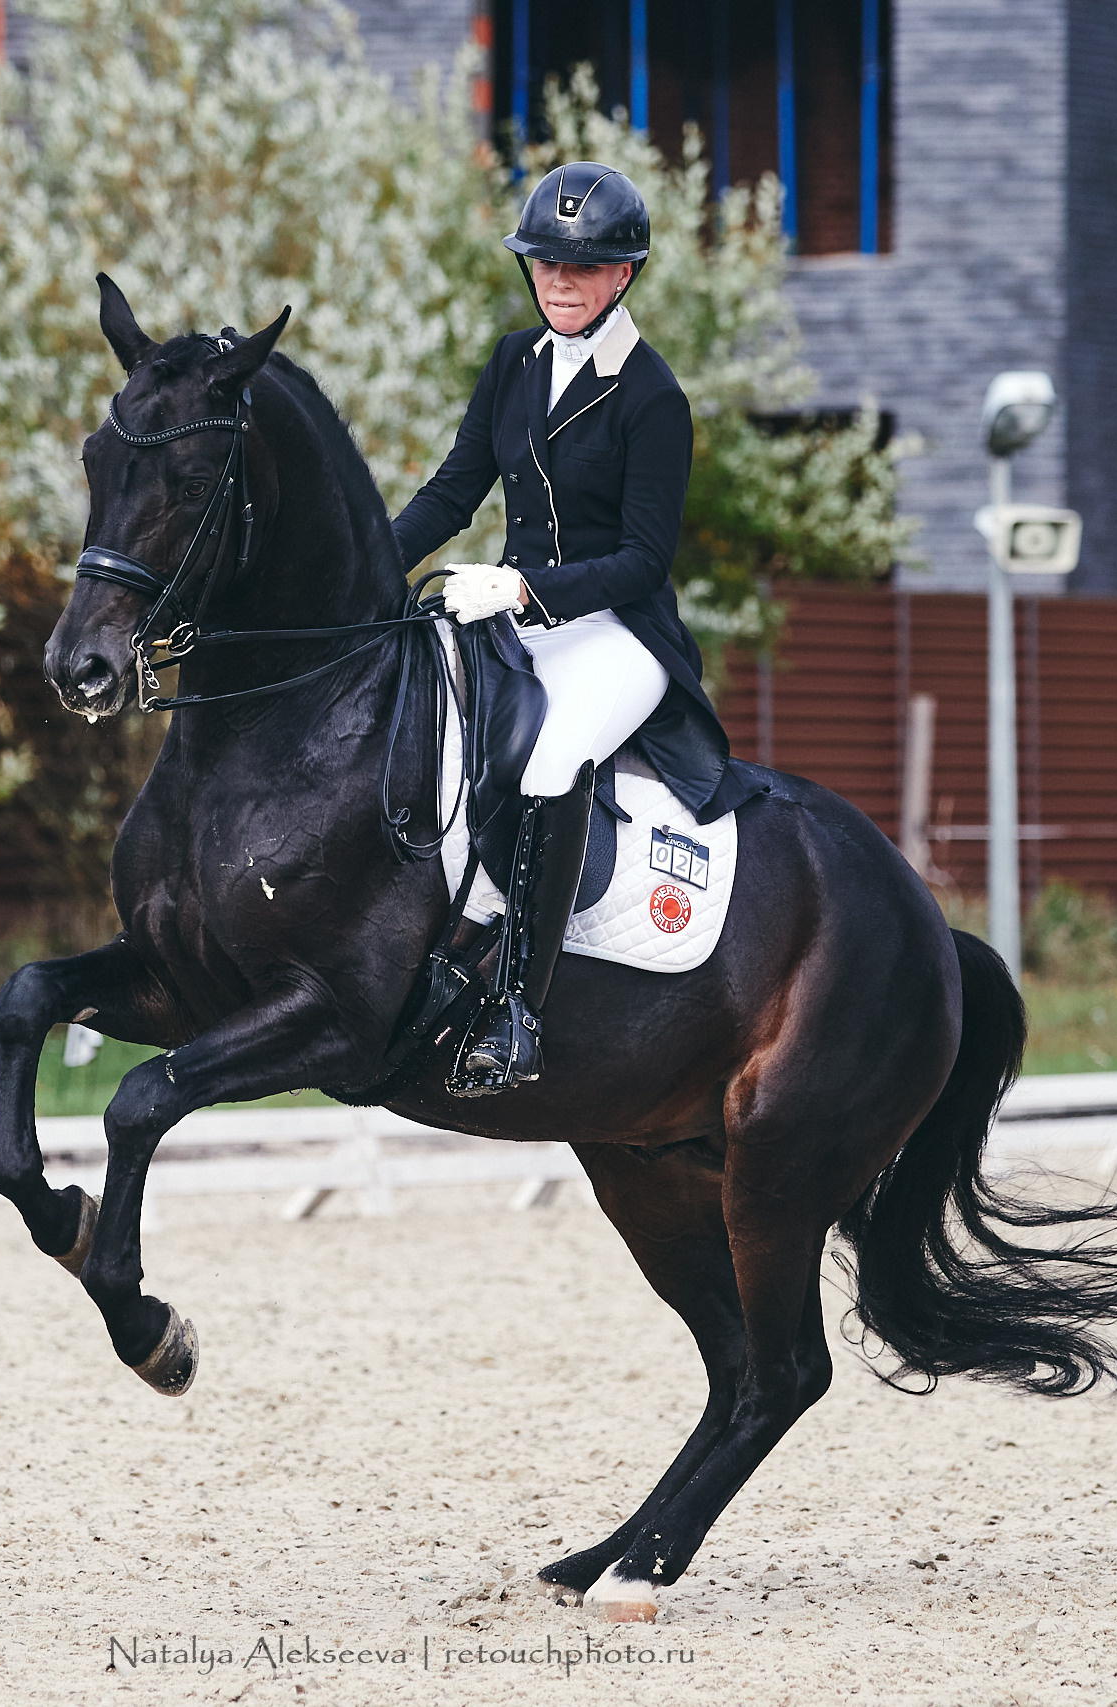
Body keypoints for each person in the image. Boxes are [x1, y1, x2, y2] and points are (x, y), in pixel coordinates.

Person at [391, 160, 762, 1096]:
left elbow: (643, 560)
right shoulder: (513, 362)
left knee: (551, 760)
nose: (559, 281)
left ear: (622, 275)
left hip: (619, 631)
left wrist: (522, 590)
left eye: (582, 267)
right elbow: (452, 492)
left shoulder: (652, 396)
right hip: (518, 614)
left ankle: (517, 1009)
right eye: (545, 262)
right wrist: (362, 567)